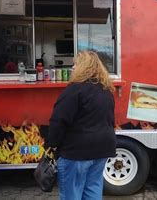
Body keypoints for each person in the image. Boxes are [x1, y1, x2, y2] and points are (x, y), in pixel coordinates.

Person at [47, 51, 116, 200]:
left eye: (75, 64)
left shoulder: (74, 90)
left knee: (71, 194)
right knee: (93, 191)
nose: (72, 67)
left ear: (84, 67)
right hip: (102, 151)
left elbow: (58, 120)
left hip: (76, 153)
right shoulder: (106, 91)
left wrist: (51, 144)